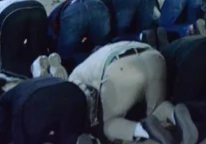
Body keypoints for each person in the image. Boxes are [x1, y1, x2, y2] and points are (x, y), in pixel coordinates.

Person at [67, 40, 195, 144]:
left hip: (122, 67)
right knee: (157, 108)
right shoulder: (100, 54)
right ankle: (174, 114)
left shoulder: (73, 78)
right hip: (152, 56)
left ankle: (145, 130)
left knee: (108, 124)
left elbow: (88, 106)